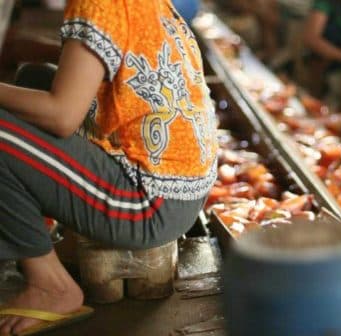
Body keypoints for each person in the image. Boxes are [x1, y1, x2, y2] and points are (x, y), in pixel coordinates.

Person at [0, 0, 218, 335]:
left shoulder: (97, 3)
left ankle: (52, 286)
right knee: (34, 78)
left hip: (149, 202)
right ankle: (37, 232)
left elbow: (61, 116)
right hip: (183, 189)